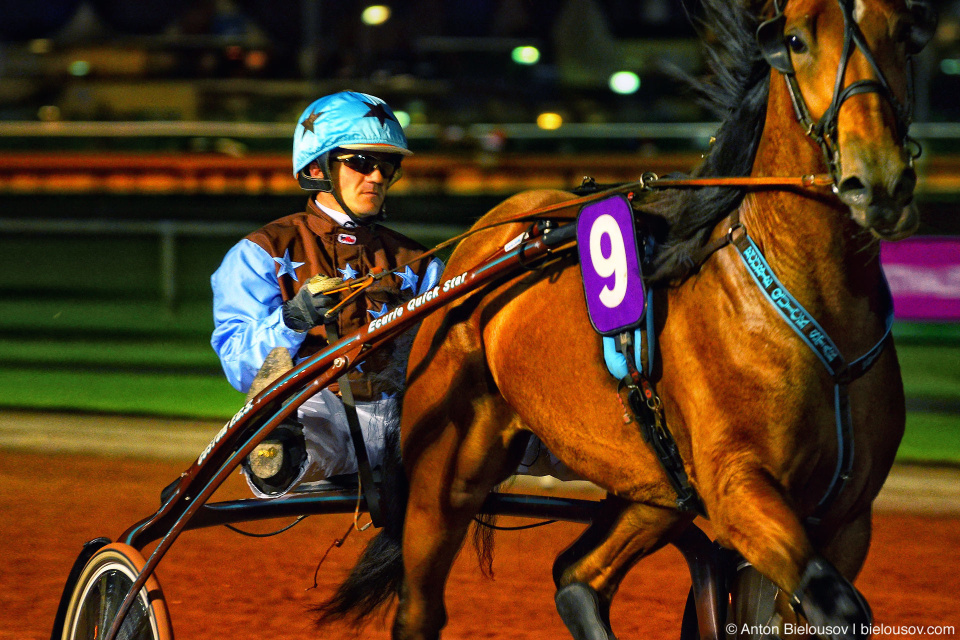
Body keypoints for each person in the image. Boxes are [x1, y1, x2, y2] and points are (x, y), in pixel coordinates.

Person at [210, 91, 443, 497]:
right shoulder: (260, 252)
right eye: (361, 162)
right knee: (284, 447)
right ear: (318, 166)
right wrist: (292, 320)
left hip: (406, 416)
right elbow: (239, 366)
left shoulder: (421, 262)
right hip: (320, 412)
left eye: (387, 165)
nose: (376, 177)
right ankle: (279, 450)